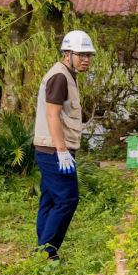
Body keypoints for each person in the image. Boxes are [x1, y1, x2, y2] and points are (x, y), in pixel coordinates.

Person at [34, 30, 95, 258]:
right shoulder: (60, 76)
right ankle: (48, 252)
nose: (86, 60)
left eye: (89, 55)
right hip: (54, 150)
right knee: (68, 199)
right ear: (67, 53)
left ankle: (42, 250)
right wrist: (61, 150)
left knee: (50, 199)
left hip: (53, 149)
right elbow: (52, 115)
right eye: (81, 55)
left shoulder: (67, 75)